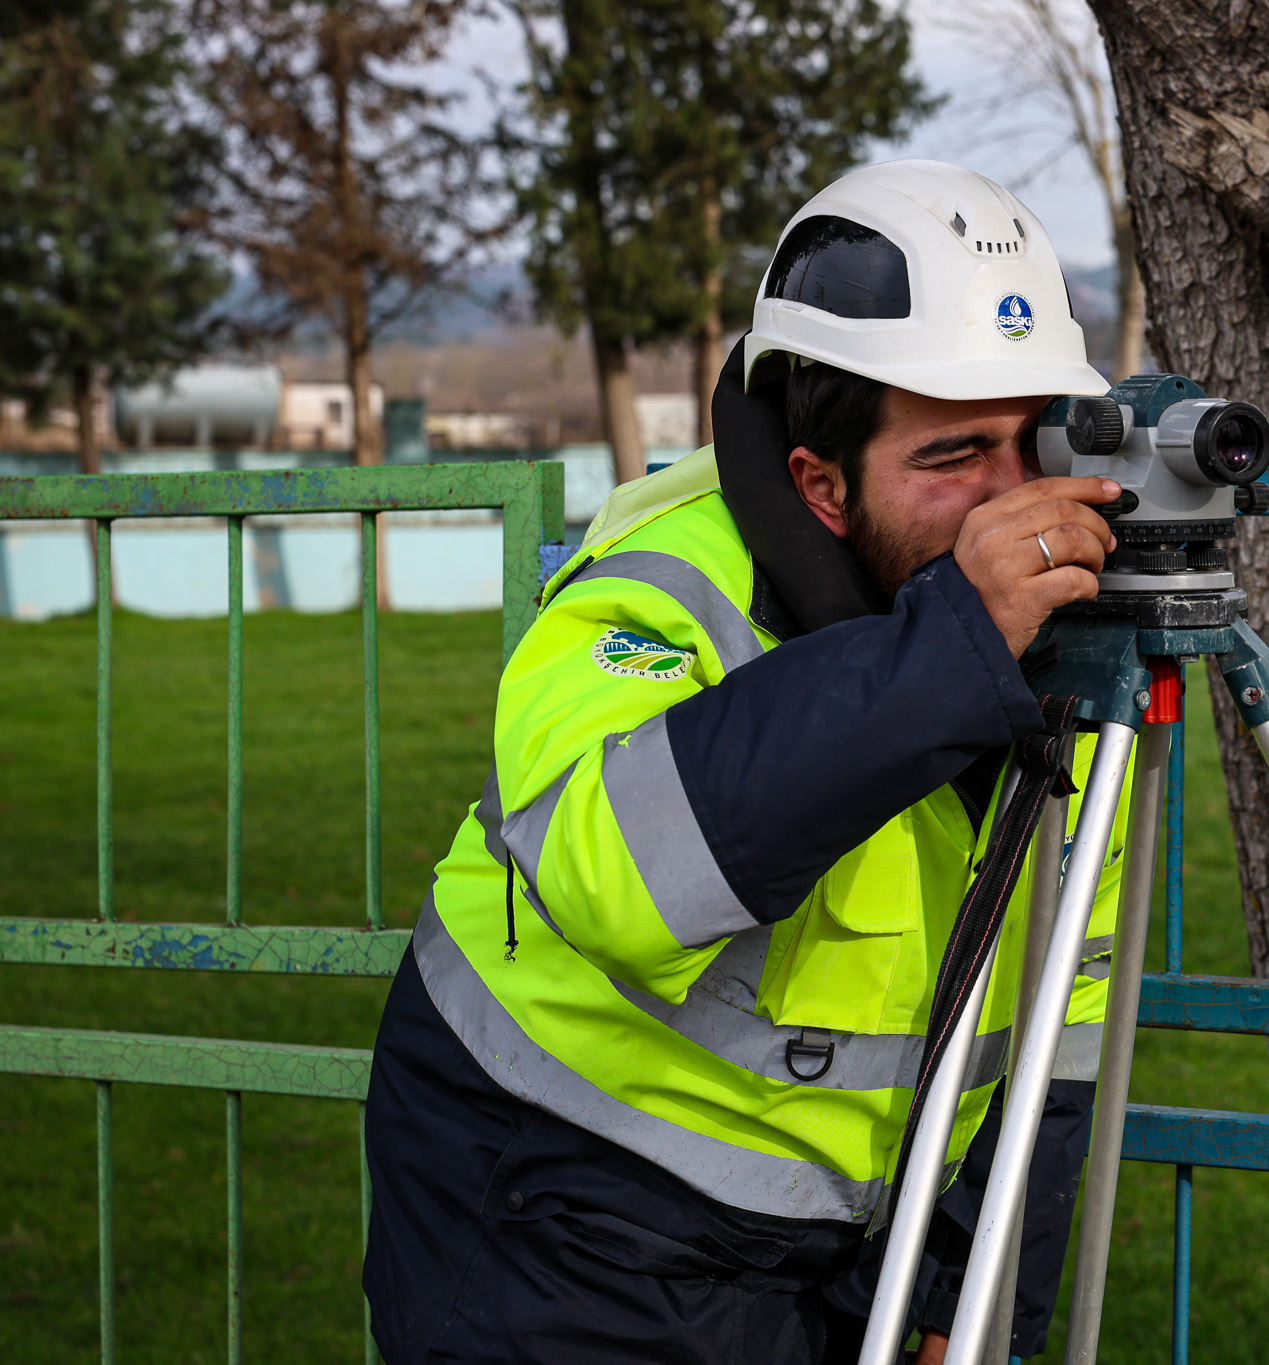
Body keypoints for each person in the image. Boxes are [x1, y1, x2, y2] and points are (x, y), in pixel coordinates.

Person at [363, 159, 1138, 1365]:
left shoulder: (1064, 650)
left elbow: (1062, 1011)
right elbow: (618, 878)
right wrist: (949, 653)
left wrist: (962, 1292)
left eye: (1026, 441)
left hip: (836, 1250)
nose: (1009, 502)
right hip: (561, 1212)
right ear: (818, 485)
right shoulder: (659, 590)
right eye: (948, 460)